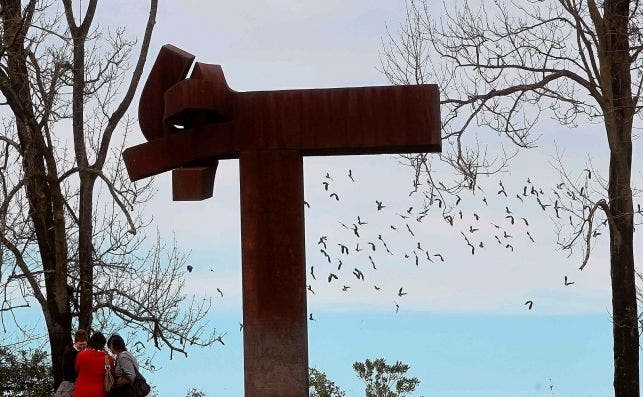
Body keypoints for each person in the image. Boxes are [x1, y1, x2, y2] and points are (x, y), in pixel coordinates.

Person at [73, 331, 114, 397]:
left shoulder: (81, 355)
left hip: (81, 392)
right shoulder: (109, 360)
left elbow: (77, 370)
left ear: (91, 342)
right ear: (103, 344)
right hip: (99, 393)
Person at [54, 329, 88, 397]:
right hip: (71, 384)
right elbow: (66, 371)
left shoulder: (87, 353)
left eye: (84, 345)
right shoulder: (69, 353)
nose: (82, 347)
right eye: (80, 345)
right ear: (75, 342)